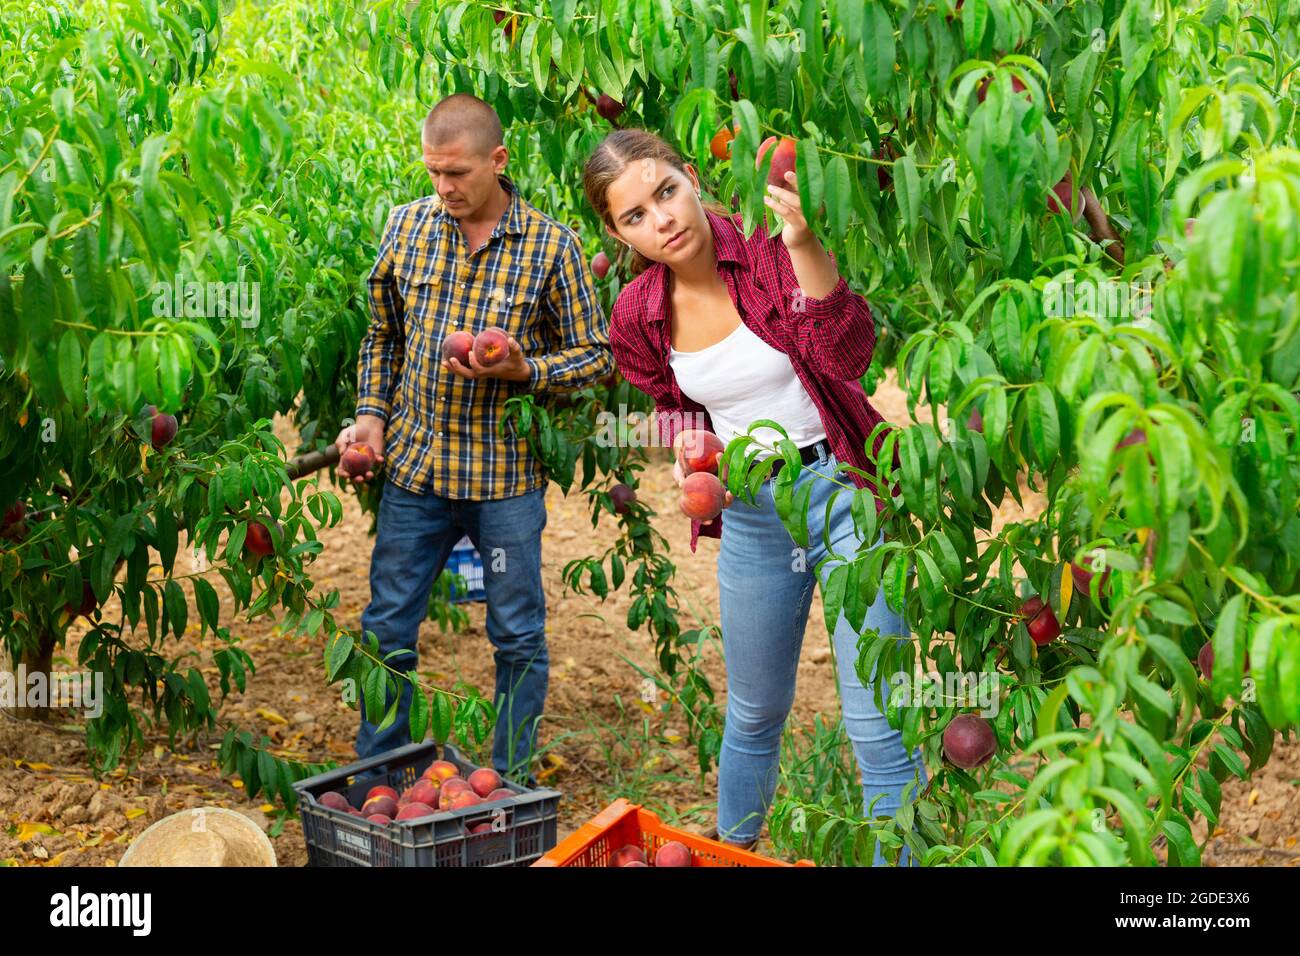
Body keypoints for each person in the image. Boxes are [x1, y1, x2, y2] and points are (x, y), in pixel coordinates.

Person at [583, 129, 925, 865]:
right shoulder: (639, 313)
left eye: (666, 192)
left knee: (878, 720)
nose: (661, 221)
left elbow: (849, 355)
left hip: (842, 490)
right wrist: (685, 450)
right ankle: (730, 851)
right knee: (754, 710)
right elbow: (671, 401)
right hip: (752, 510)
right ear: (615, 232)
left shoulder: (771, 252)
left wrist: (805, 241)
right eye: (634, 216)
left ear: (693, 178)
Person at [336, 94, 613, 782]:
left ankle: (507, 779)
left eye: (457, 172)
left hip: (503, 482)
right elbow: (383, 336)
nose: (443, 187)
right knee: (387, 627)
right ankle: (382, 772)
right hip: (416, 473)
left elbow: (597, 356)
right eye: (433, 172)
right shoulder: (406, 228)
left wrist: (527, 368)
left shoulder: (552, 246)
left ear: (497, 161)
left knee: (516, 634)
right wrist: (371, 414)